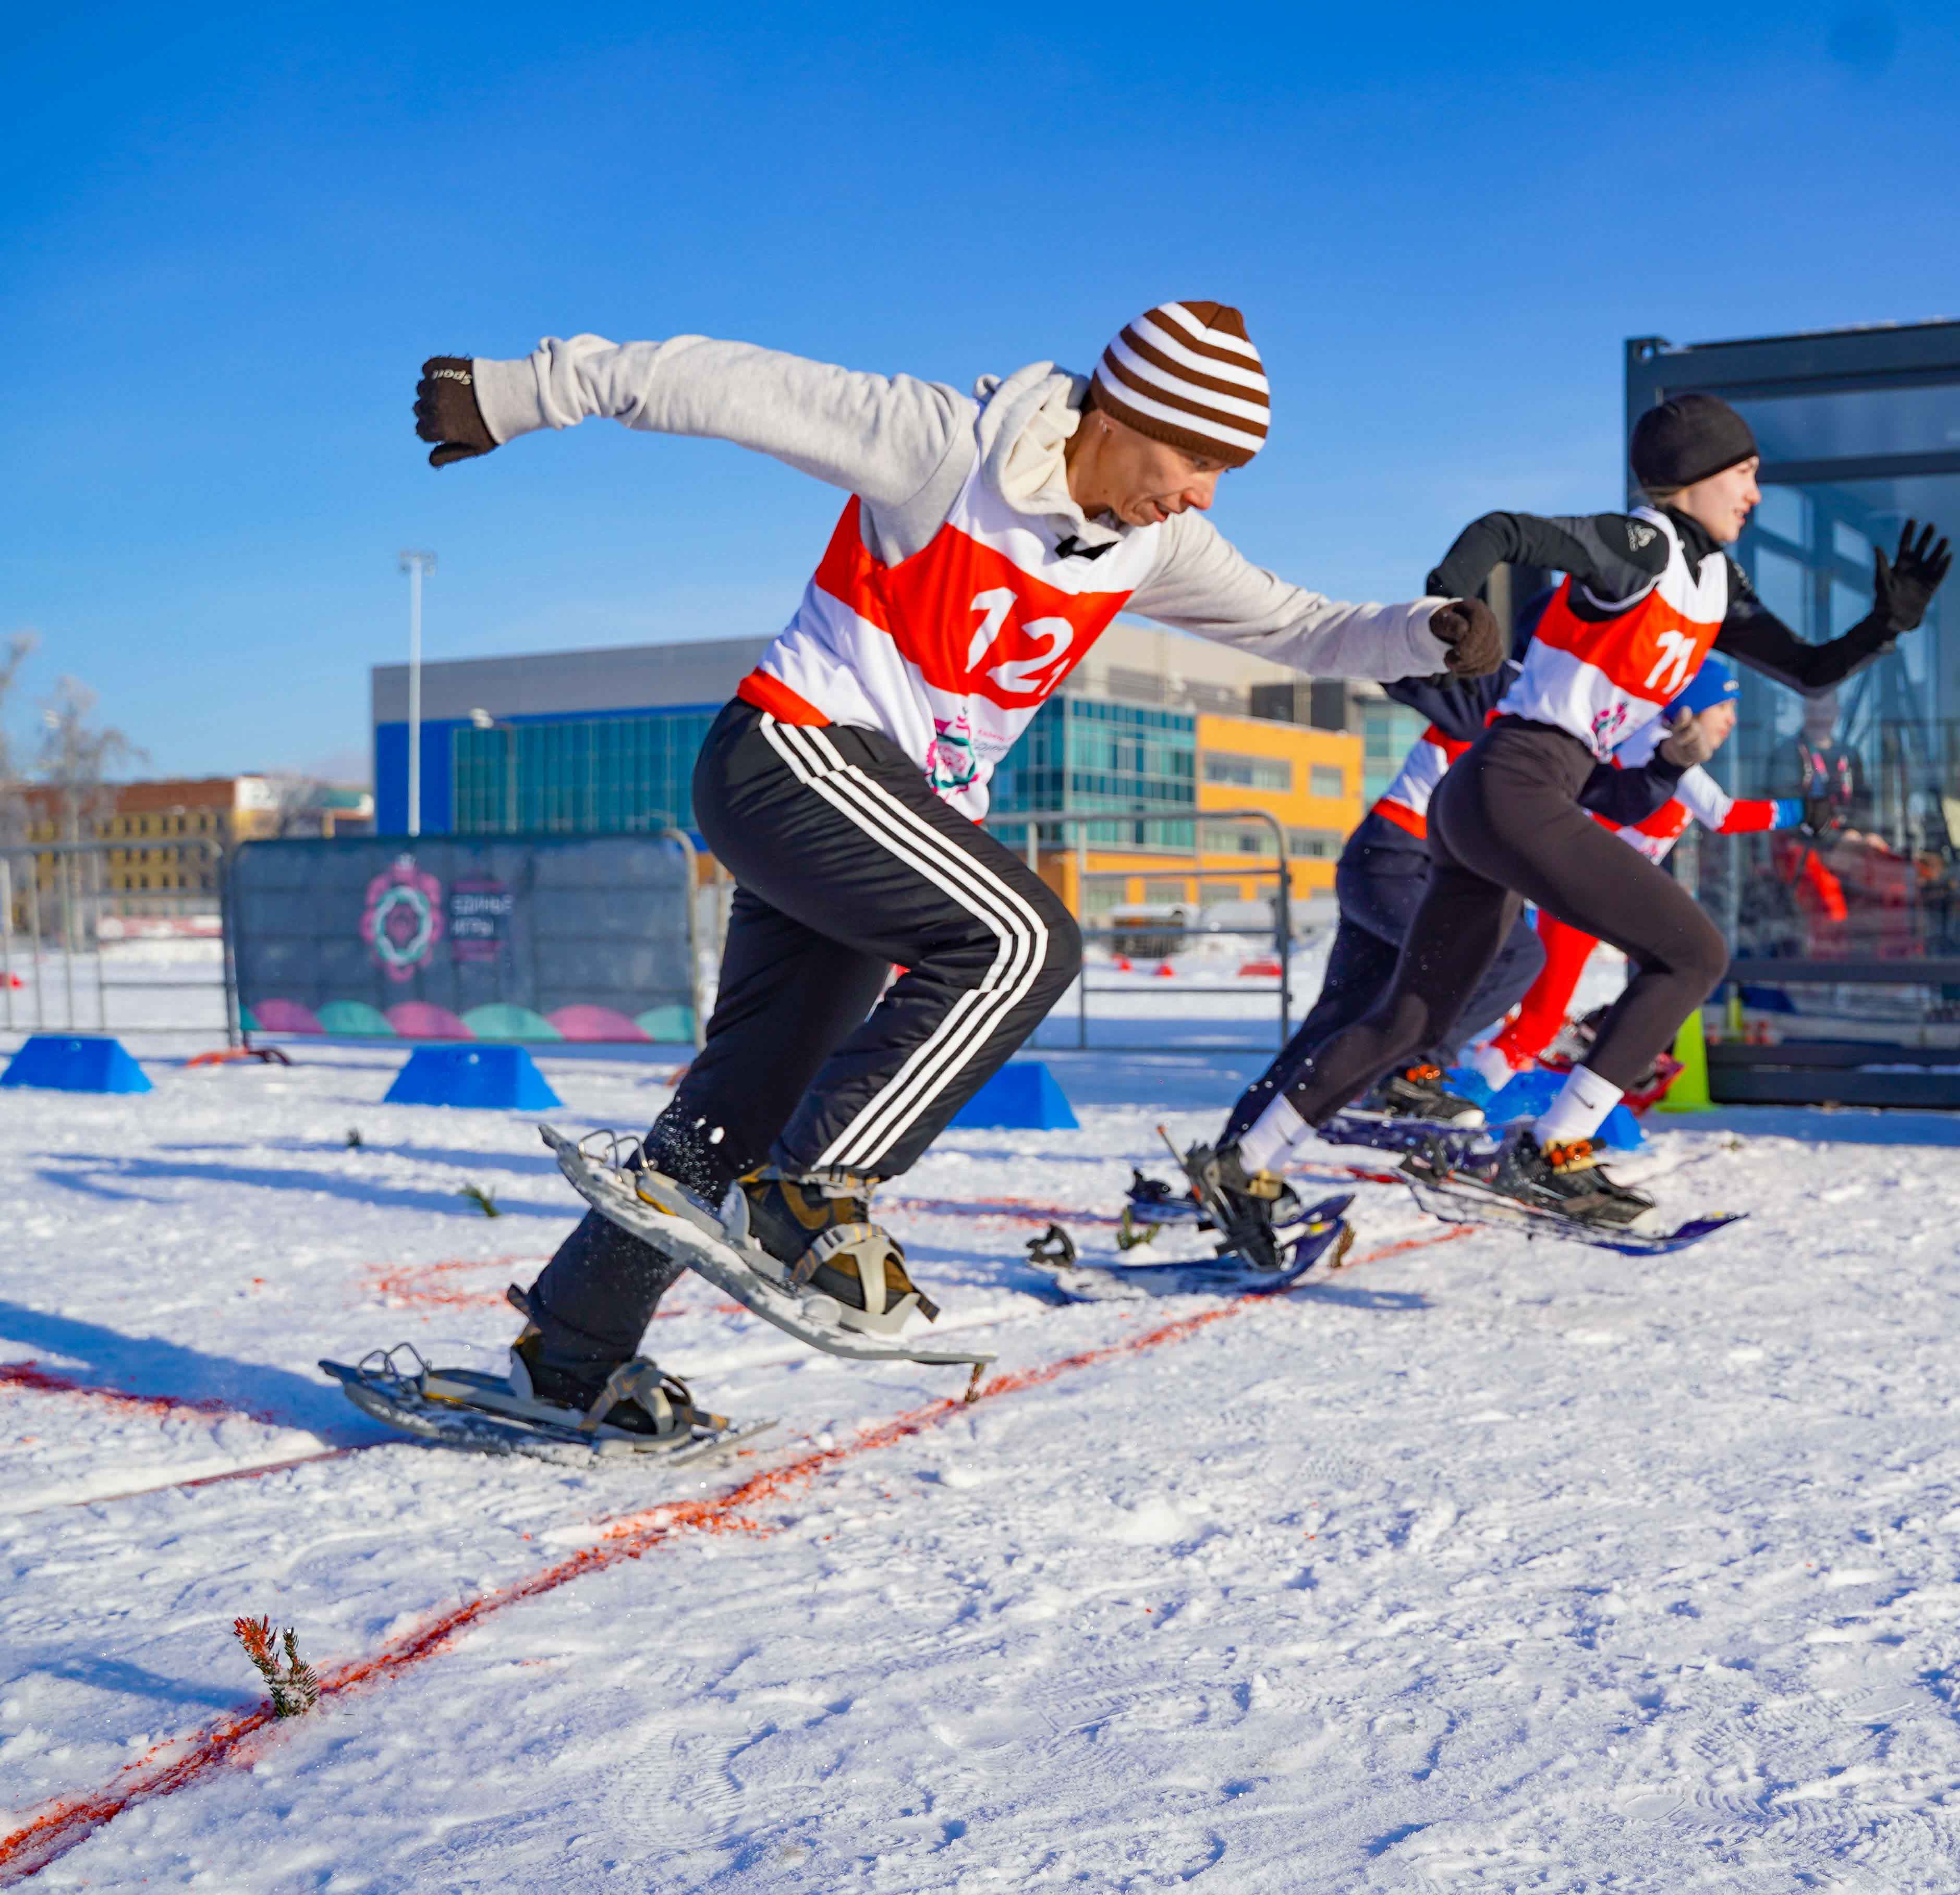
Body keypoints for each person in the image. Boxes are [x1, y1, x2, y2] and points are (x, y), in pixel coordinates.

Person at [404, 307, 1501, 1445]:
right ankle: (809, 1197)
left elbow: (1299, 625)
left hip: (880, 814)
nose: (1203, 496)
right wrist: (523, 392)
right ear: (1122, 419)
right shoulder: (943, 448)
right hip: (793, 753)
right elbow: (722, 383)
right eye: (1195, 462)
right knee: (1021, 941)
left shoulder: (1153, 544)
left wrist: (1426, 632)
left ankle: (569, 1356)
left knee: (747, 1098)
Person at [1182, 393, 1951, 1244]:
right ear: (1693, 476)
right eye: (1745, 474)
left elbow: (1807, 671)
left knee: (1411, 1020)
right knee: (1694, 953)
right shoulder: (1640, 545)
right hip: (1515, 787)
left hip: (1495, 795)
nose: (1756, 495)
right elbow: (1504, 529)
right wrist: (1449, 612)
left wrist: (1888, 624)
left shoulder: (1710, 580)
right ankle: (1554, 1149)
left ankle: (1244, 1164)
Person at [1216, 658, 1707, 1146]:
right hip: (1399, 862)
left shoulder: (1564, 722)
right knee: (1516, 955)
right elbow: (1411, 677)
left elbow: (1607, 795)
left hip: (1386, 867)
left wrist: (1666, 766)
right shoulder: (1513, 686)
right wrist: (1435, 639)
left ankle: (1233, 1152)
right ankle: (1414, 1075)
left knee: (1337, 1023)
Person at [1475, 665, 1794, 1083]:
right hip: (1581, 891)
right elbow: (1723, 815)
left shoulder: (1659, 742)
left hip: (1599, 896)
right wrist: (1802, 812)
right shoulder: (1660, 745)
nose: (1732, 720)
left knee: (1556, 1014)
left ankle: (1574, 1073)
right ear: (1691, 708)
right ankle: (1472, 1094)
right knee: (1539, 1022)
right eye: (1722, 707)